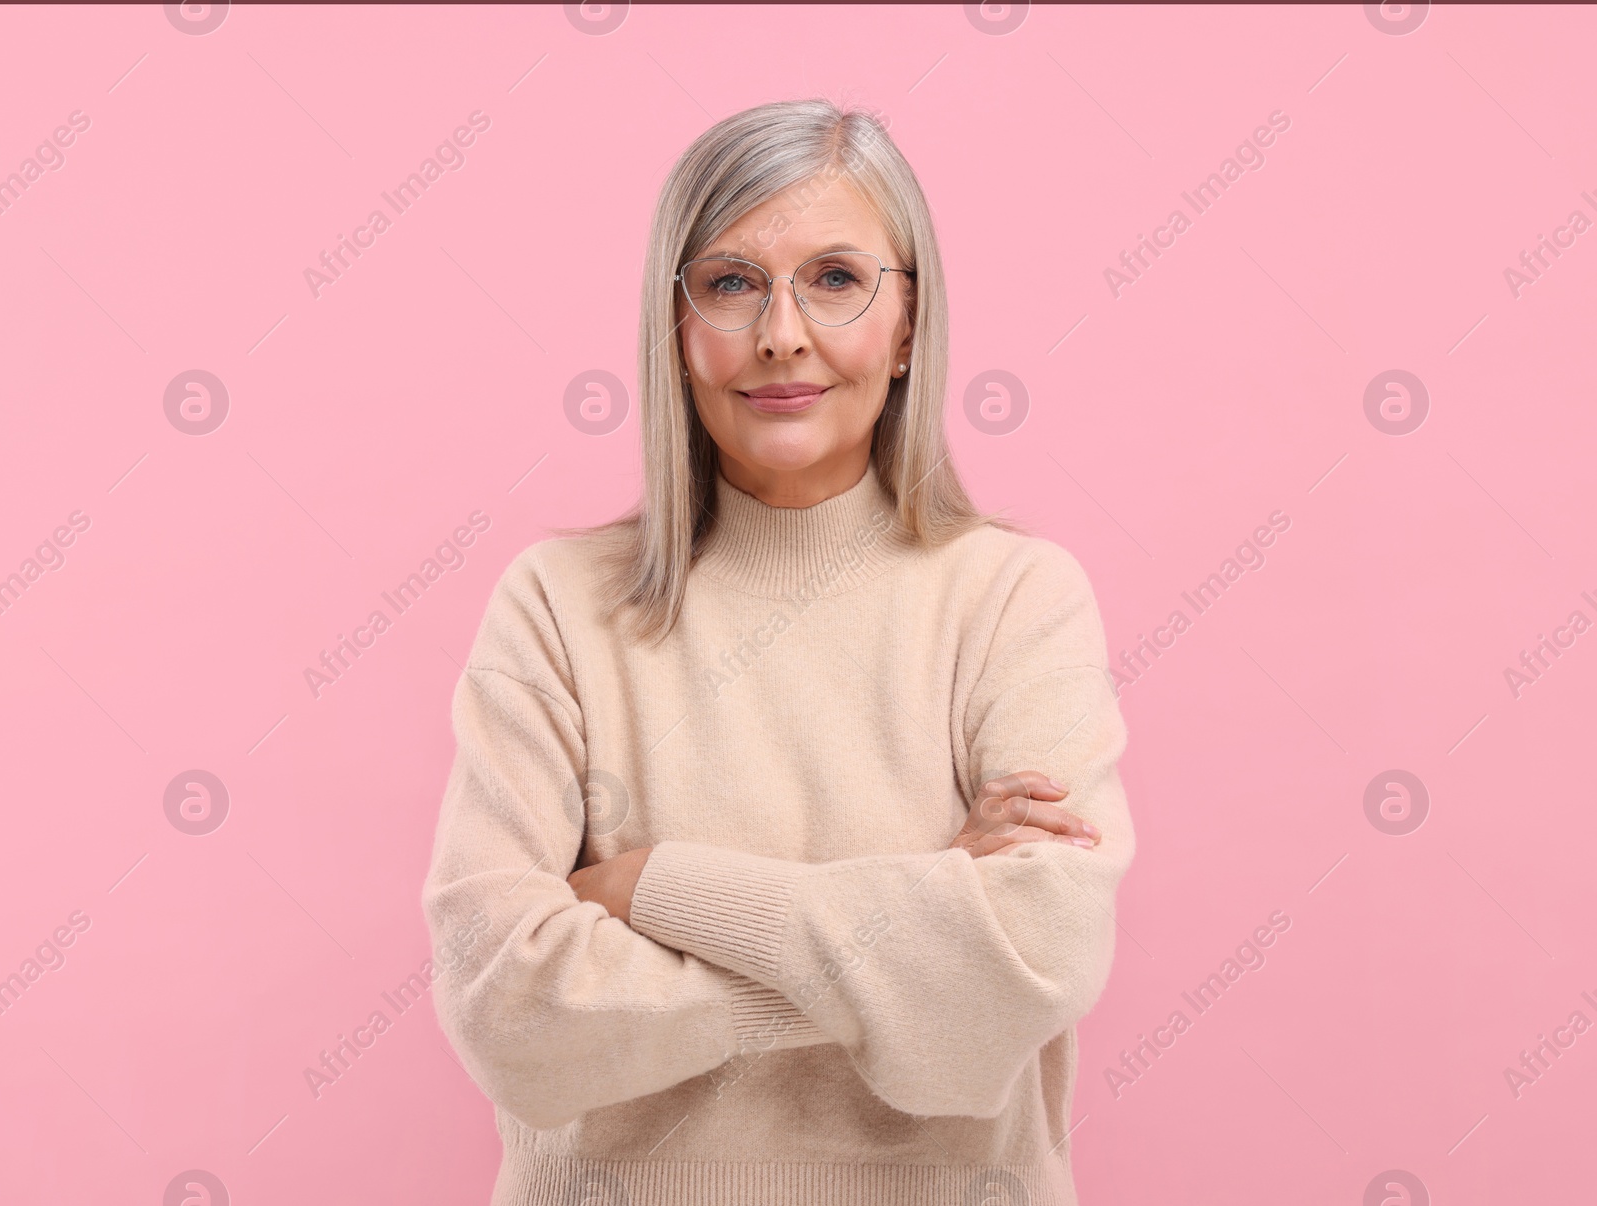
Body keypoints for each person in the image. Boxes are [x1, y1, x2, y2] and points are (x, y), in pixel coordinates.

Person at [421, 96, 1135, 1206]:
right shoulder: (556, 607)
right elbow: (505, 1013)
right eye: (730, 281)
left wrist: (653, 886)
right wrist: (912, 939)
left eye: (837, 279)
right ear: (676, 325)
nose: (781, 334)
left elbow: (1035, 957)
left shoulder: (1012, 599)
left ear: (908, 325)